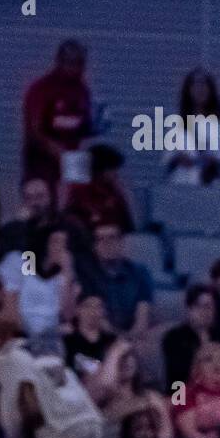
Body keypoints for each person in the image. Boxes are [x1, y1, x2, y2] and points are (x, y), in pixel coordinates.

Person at [22, 39, 92, 187]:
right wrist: (57, 152)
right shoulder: (41, 89)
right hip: (41, 163)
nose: (78, 68)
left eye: (81, 63)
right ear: (60, 62)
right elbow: (34, 130)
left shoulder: (82, 90)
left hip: (72, 160)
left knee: (77, 202)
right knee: (43, 203)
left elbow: (84, 125)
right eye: (73, 63)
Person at [75, 221, 153, 336]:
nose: (107, 243)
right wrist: (118, 339)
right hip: (100, 336)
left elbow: (143, 316)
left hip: (134, 337)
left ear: (122, 242)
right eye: (100, 239)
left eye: (112, 238)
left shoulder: (139, 272)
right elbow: (95, 316)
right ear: (94, 247)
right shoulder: (86, 275)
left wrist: (131, 338)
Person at [162, 284, 220, 388]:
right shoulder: (174, 337)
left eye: (210, 306)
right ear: (189, 309)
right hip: (190, 392)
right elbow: (176, 378)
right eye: (200, 306)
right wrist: (179, 401)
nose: (206, 311)